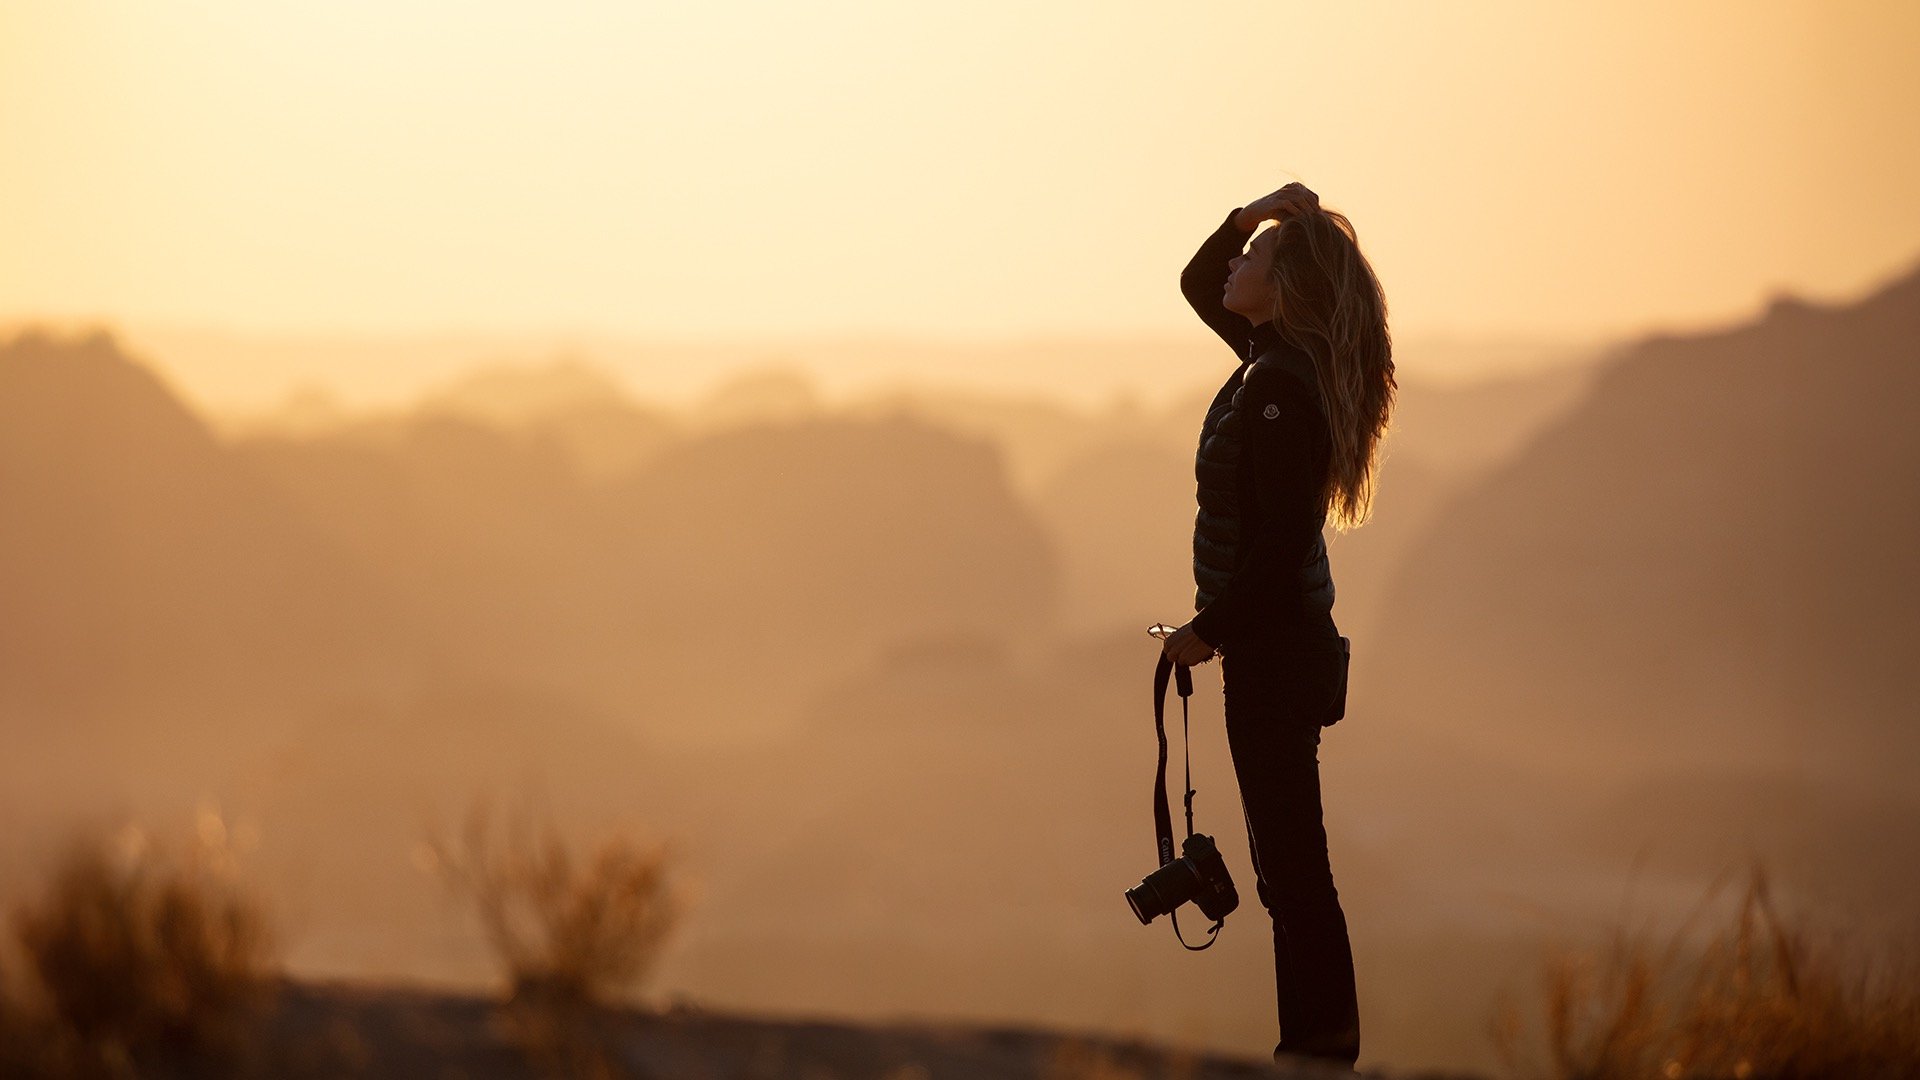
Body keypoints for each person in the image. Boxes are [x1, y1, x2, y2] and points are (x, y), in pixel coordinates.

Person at [1157, 181, 1396, 1067]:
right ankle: (1313, 1041)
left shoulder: (1277, 387)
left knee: (1293, 866)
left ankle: (1321, 1046)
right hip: (1274, 649)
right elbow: (1196, 279)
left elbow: (1285, 535)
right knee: (1282, 862)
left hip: (1274, 653)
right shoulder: (1272, 357)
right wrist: (1253, 214)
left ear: (1285, 289)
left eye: (1254, 262)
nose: (1238, 267)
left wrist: (1206, 629)